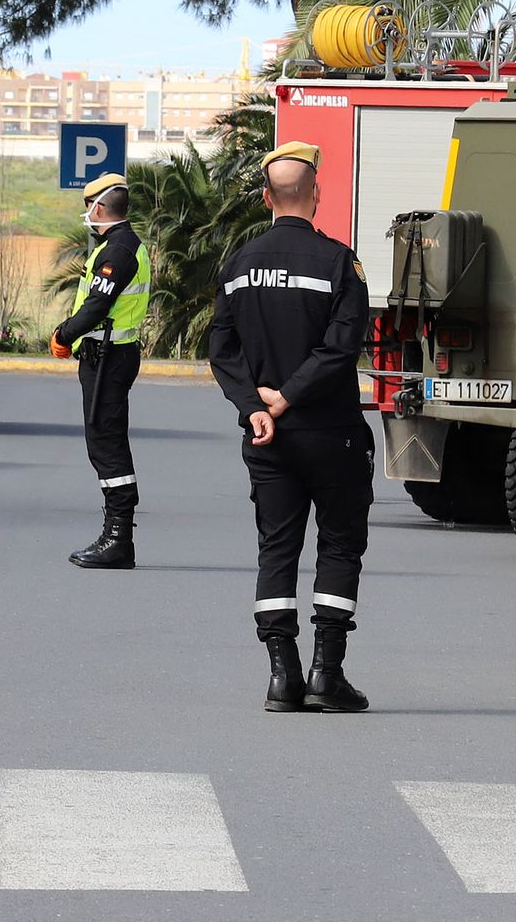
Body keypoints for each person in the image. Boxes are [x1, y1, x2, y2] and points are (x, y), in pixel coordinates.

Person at [208, 140, 373, 713]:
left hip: (267, 437)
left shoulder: (238, 264)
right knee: (340, 544)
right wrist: (289, 397)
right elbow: (342, 346)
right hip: (331, 433)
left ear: (265, 198)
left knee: (276, 548)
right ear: (316, 194)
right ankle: (327, 675)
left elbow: (222, 349)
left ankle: (282, 676)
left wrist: (254, 405)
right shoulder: (338, 262)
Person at [49, 173, 152, 570]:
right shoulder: (120, 245)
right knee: (104, 442)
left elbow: (96, 306)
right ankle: (115, 536)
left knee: (107, 444)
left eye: (87, 205)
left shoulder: (118, 251)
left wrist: (63, 334)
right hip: (108, 355)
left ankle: (118, 539)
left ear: (99, 208)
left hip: (108, 358)